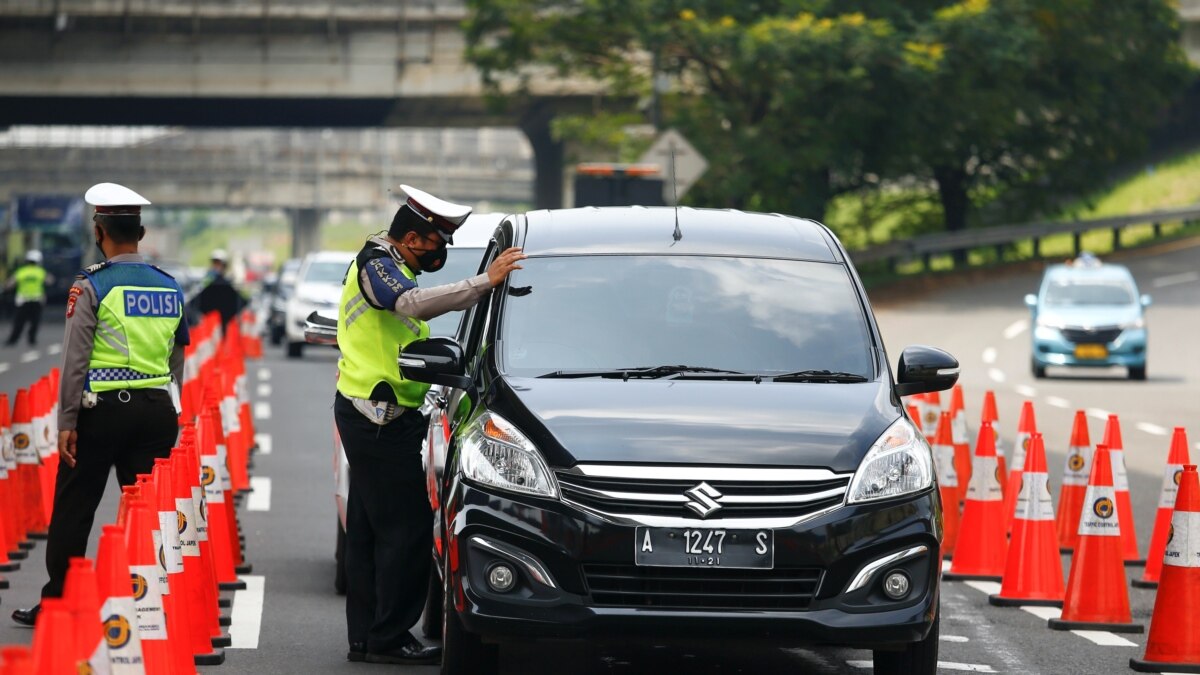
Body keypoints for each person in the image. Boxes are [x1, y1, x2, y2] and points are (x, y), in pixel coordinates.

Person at [334, 184, 524, 665]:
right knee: (406, 531)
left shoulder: (392, 262)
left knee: (369, 529)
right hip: (378, 418)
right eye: (438, 242)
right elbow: (411, 305)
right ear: (415, 238)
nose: (441, 252)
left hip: (381, 414)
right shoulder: (378, 265)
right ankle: (388, 638)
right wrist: (483, 283)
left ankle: (369, 637)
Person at [11, 183, 189, 627]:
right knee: (147, 508)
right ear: (141, 233)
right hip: (156, 412)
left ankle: (62, 602)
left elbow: (75, 360)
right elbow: (177, 358)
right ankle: (148, 601)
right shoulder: (170, 287)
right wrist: (173, 411)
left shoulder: (91, 285)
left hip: (101, 412)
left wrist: (67, 420)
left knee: (76, 506)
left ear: (98, 231)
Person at [4, 250, 53, 347]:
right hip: (37, 300)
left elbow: (10, 284)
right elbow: (50, 281)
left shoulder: (22, 271)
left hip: (23, 300)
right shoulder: (40, 271)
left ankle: (13, 339)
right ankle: (32, 340)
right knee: (35, 322)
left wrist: (6, 288)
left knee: (19, 322)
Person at [190, 247, 246, 328]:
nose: (217, 266)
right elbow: (196, 300)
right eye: (215, 263)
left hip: (224, 321)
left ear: (224, 266)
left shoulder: (228, 283)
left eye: (219, 264)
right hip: (208, 321)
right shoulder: (207, 280)